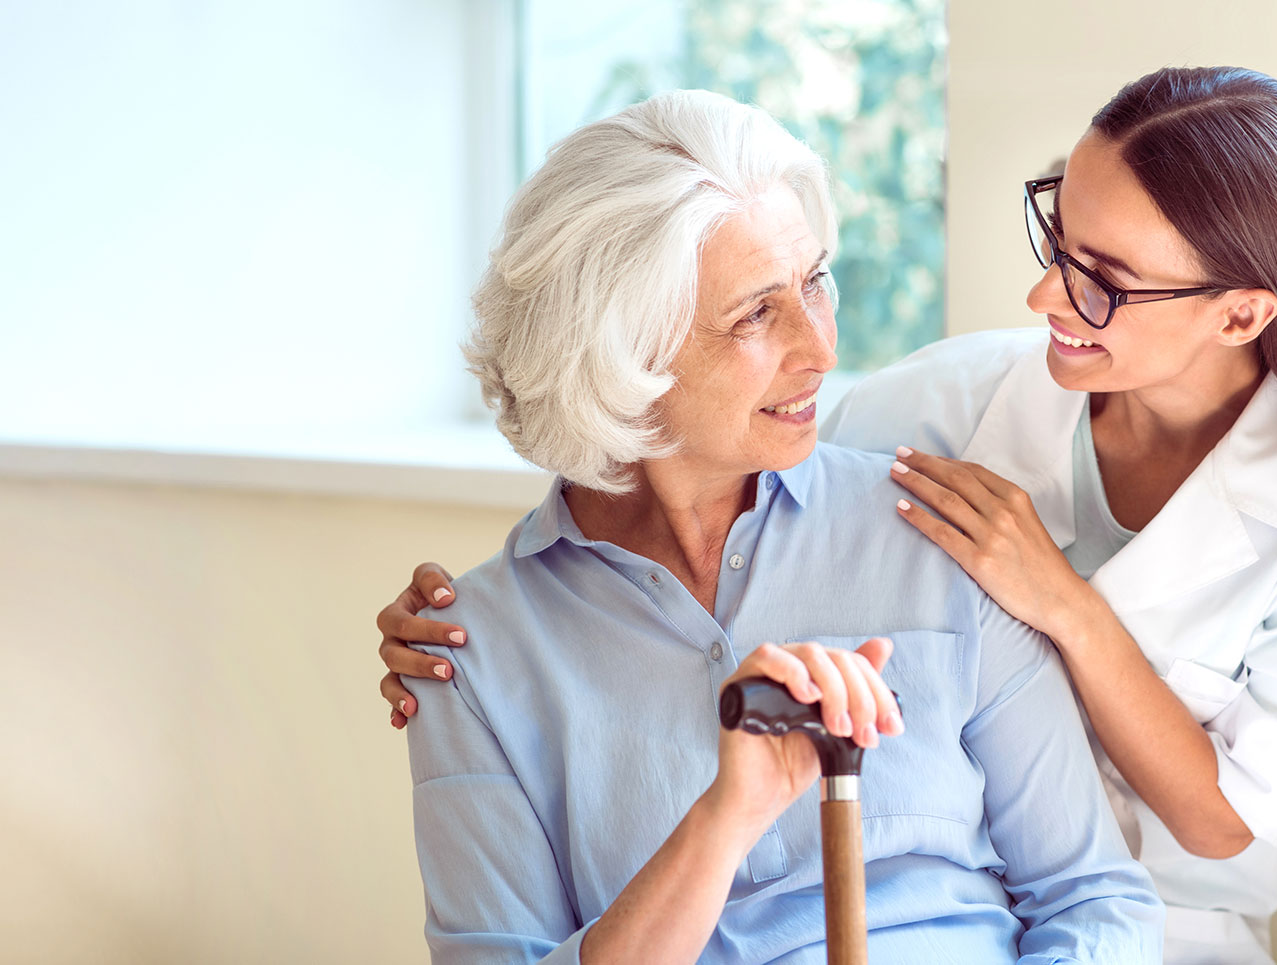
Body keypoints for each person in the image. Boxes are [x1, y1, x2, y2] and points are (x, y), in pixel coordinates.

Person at [381, 67, 1277, 964]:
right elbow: (680, 457)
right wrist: (484, 627)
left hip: (1168, 916)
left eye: (1104, 279)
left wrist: (1064, 603)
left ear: (1240, 312)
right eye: (761, 310)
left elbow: (1172, 849)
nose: (817, 348)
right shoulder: (933, 427)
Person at [397, 88, 1164, 963]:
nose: (821, 346)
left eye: (815, 282)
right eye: (757, 312)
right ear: (620, 357)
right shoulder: (470, 655)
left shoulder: (941, 532)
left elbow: (1095, 897)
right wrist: (728, 816)